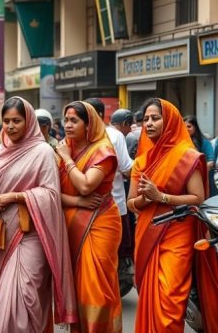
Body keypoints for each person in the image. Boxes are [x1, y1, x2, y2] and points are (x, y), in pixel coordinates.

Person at [126, 98, 218, 332]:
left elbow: (198, 198)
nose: (148, 123)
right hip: (148, 231)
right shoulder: (140, 161)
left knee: (170, 297)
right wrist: (146, 198)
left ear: (169, 121)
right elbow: (132, 203)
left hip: (179, 230)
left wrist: (161, 197)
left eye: (155, 118)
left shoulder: (187, 156)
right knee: (152, 295)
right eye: (146, 119)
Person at [0, 96, 77, 331]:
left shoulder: (42, 151)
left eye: (16, 120)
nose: (11, 126)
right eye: (6, 121)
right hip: (3, 233)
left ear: (29, 122)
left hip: (32, 233)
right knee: (6, 294)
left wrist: (15, 196)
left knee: (26, 294)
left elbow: (51, 194)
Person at [55, 101, 122, 333]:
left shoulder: (103, 151)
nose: (68, 125)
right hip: (71, 223)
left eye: (74, 121)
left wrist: (66, 158)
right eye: (66, 120)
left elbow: (85, 186)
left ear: (89, 124)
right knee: (78, 287)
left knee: (96, 287)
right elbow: (52, 193)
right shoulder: (65, 148)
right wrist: (77, 202)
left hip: (100, 221)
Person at [85, 97, 134, 290]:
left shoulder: (81, 135)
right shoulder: (114, 136)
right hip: (112, 206)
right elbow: (127, 168)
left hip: (86, 204)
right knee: (113, 254)